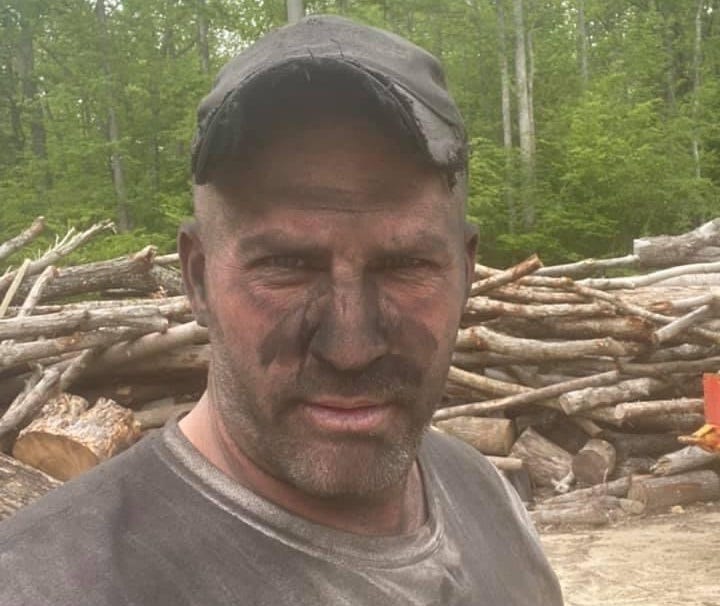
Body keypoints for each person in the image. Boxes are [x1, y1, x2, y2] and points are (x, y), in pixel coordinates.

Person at [0, 15, 563, 605]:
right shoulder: (45, 583)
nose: (351, 346)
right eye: (288, 267)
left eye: (404, 267)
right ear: (198, 279)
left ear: (466, 273)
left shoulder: (485, 498)